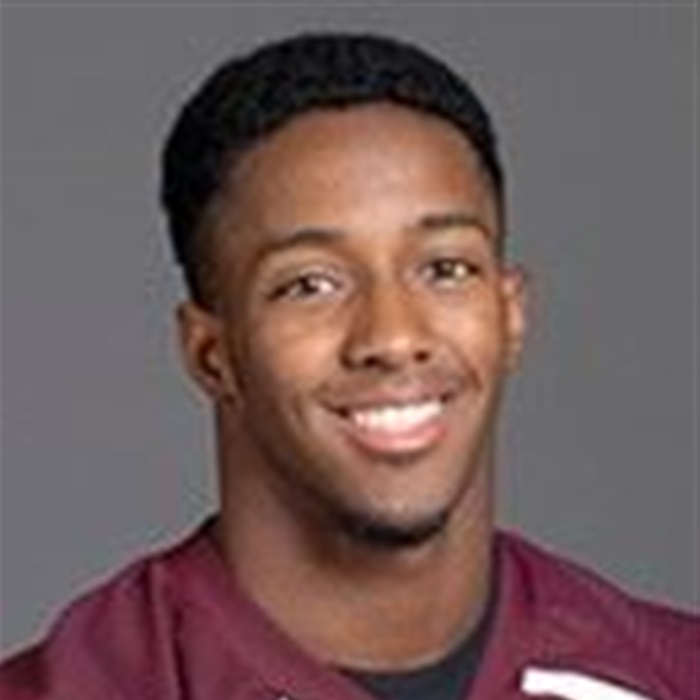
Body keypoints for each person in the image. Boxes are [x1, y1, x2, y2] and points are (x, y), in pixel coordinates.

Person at [1, 31, 697, 700]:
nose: (393, 336)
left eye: (446, 268)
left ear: (510, 313)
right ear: (212, 355)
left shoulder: (670, 672)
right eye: (311, 284)